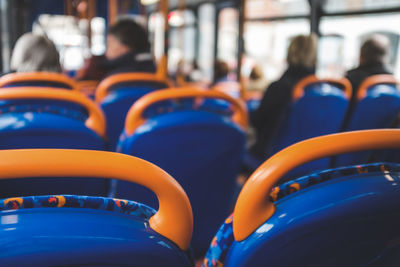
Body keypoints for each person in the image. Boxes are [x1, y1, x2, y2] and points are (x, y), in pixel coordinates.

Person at [250, 34, 317, 159]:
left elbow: (258, 122)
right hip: (313, 158)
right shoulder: (323, 91)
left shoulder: (279, 88)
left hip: (277, 160)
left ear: (290, 54)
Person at [344, 34, 392, 125]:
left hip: (350, 135)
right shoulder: (392, 83)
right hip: (382, 136)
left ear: (361, 55)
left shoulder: (349, 81)